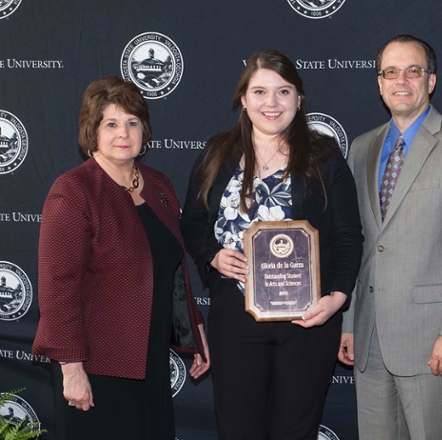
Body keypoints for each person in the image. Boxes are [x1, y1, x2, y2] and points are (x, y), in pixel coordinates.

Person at [181, 49, 363, 440]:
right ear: (243, 99)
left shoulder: (324, 156)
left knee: (295, 431)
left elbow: (348, 235)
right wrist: (211, 256)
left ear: (298, 99)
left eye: (283, 92)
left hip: (309, 319)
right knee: (238, 428)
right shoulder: (217, 153)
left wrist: (337, 298)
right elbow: (193, 221)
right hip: (236, 315)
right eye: (260, 92)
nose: (272, 103)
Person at [32, 76, 210, 440]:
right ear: (91, 131)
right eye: (110, 123)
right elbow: (58, 286)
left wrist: (197, 331)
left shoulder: (158, 184)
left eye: (132, 122)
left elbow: (172, 270)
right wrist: (71, 367)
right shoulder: (74, 190)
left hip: (151, 360)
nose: (123, 132)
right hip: (96, 364)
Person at [338, 34, 442, 440]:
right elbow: (356, 241)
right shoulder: (361, 149)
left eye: (414, 70)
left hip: (435, 342)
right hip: (370, 341)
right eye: (391, 72)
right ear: (379, 83)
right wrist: (348, 322)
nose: (401, 80)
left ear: (431, 80)